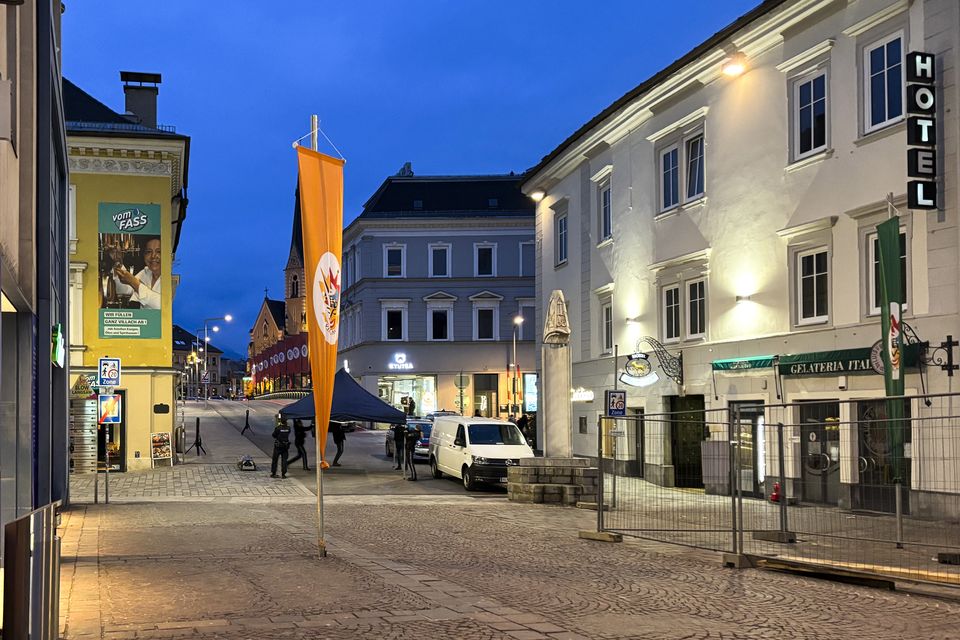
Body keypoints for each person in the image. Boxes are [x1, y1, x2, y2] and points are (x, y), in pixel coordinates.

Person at [112, 237, 162, 309]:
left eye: (159, 252)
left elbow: (164, 305)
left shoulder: (171, 275)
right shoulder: (145, 273)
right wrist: (118, 262)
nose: (153, 256)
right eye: (148, 252)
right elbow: (125, 292)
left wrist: (135, 283)